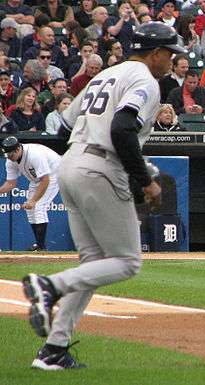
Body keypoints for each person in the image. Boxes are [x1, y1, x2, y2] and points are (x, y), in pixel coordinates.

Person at [22, 21, 185, 370]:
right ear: (155, 53)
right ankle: (49, 285)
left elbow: (64, 123)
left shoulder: (106, 74)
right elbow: (122, 127)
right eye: (170, 54)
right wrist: (144, 180)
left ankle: (54, 349)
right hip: (100, 165)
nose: (173, 60)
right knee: (127, 261)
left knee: (93, 263)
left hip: (72, 160)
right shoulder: (144, 79)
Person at [0, 136, 61, 251]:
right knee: (30, 209)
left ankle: (41, 247)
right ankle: (39, 244)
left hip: (54, 173)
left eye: (11, 154)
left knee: (38, 206)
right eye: (7, 155)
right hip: (37, 179)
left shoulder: (34, 154)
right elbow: (10, 184)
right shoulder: (10, 161)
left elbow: (45, 180)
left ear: (18, 149)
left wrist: (33, 200)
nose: (9, 157)